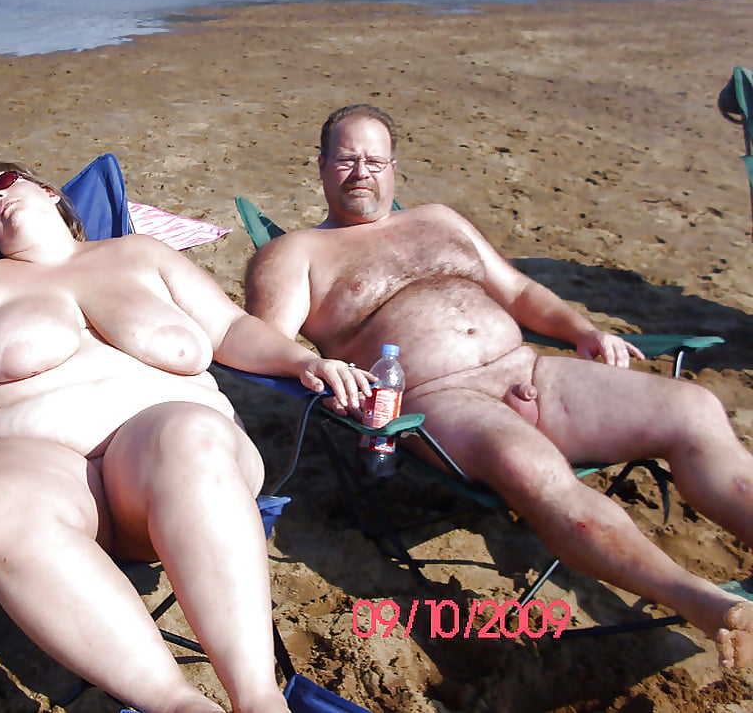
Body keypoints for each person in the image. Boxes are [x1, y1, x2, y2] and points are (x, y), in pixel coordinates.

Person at [0, 161, 375, 713]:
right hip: (30, 469)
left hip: (168, 465)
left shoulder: (142, 254)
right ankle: (177, 706)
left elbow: (230, 328)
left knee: (192, 435)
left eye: (1, 185)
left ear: (49, 192)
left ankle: (260, 699)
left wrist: (302, 362)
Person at [243, 104, 753, 670]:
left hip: (529, 369)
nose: (361, 172)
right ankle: (704, 602)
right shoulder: (294, 253)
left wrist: (583, 331)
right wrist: (309, 365)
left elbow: (520, 292)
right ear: (320, 165)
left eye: (374, 160)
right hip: (439, 399)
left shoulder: (439, 220)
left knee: (694, 408)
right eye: (346, 160)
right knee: (532, 470)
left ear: (393, 168)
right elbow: (261, 342)